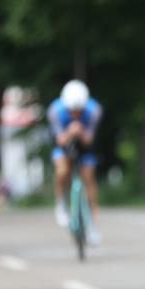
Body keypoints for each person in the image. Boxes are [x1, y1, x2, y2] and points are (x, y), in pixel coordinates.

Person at [49, 79, 102, 246]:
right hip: (63, 143)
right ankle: (60, 204)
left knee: (88, 178)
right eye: (72, 111)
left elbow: (89, 139)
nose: (75, 115)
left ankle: (92, 226)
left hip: (84, 144)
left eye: (79, 111)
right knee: (62, 170)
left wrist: (81, 133)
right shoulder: (55, 111)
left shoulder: (94, 110)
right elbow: (59, 140)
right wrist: (71, 132)